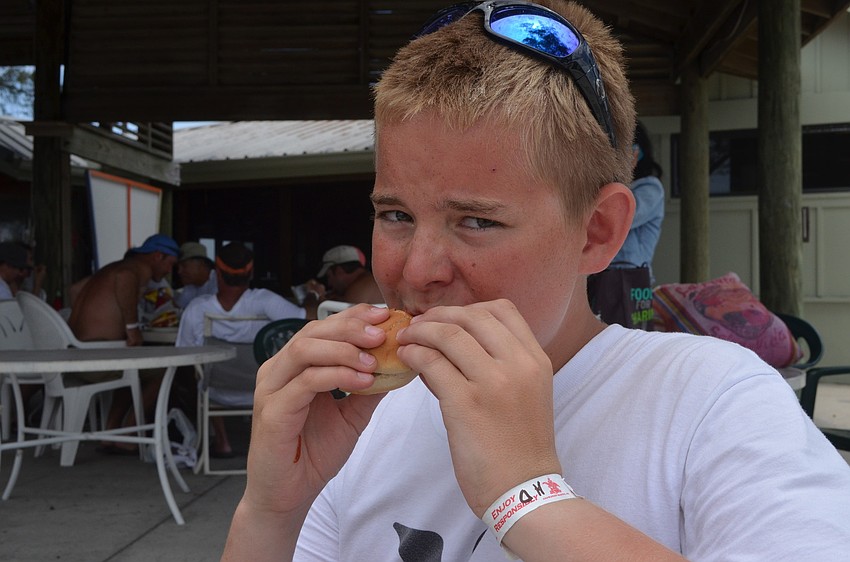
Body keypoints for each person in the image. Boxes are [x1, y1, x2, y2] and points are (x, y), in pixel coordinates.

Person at [222, 1, 850, 560]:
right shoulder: (365, 423)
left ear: (598, 231)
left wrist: (528, 497)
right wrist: (271, 513)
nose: (415, 271)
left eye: (476, 220)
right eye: (396, 215)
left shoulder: (713, 402)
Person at [175, 241, 309, 457]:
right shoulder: (265, 301)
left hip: (215, 392)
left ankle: (222, 441)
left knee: (200, 374)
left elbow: (184, 357)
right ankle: (259, 444)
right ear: (250, 272)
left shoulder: (198, 308)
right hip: (263, 390)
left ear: (216, 273)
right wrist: (312, 296)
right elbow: (303, 324)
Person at [68, 233, 179, 451]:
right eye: (170, 264)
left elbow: (74, 290)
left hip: (78, 353)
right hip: (97, 358)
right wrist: (131, 327)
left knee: (133, 368)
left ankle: (111, 432)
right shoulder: (133, 270)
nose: (169, 271)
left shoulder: (111, 269)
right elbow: (125, 280)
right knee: (164, 369)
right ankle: (130, 430)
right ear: (158, 256)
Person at [610, 120, 665, 276]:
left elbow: (621, 217)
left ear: (638, 153)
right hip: (604, 274)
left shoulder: (651, 188)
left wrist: (621, 177)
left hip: (632, 276)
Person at [316, 244, 383, 304]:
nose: (329, 283)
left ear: (339, 271)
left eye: (329, 276)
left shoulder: (356, 291)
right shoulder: (373, 281)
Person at [173, 241, 217, 309]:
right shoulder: (190, 286)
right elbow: (178, 308)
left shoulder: (218, 281)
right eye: (178, 267)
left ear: (201, 265)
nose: (179, 271)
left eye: (184, 266)